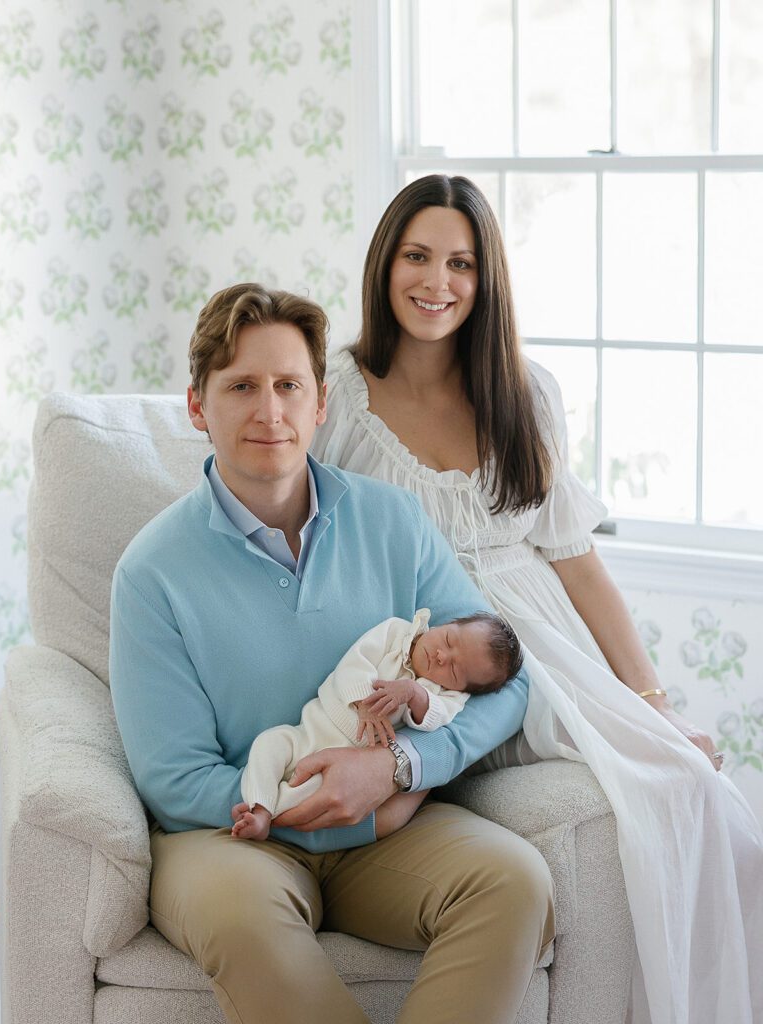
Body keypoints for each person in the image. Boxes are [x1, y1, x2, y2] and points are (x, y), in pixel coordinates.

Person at [310, 174, 763, 1024]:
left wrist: (651, 699)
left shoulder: (525, 390)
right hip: (439, 651)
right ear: (384, 264)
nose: (435, 282)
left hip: (541, 634)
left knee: (707, 797)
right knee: (658, 785)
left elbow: (578, 562)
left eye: (460, 263)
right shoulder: (340, 399)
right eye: (416, 256)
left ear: (486, 281)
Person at [109, 282, 554, 1024]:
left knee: (515, 880)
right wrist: (330, 808)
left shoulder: (392, 520)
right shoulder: (150, 573)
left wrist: (399, 769)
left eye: (289, 386)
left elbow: (504, 682)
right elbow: (173, 778)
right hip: (232, 834)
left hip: (389, 823)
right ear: (198, 406)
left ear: (321, 404)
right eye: (241, 386)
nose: (270, 411)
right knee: (243, 921)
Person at [231, 607, 523, 841]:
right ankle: (260, 803)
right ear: (445, 624)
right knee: (269, 744)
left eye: (456, 670)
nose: (441, 656)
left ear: (463, 687)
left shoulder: (445, 694)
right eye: (448, 639)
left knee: (321, 792)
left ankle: (266, 816)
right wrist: (363, 703)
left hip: (346, 765)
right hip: (309, 731)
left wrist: (414, 693)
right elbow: (354, 663)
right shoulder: (395, 632)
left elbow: (435, 718)